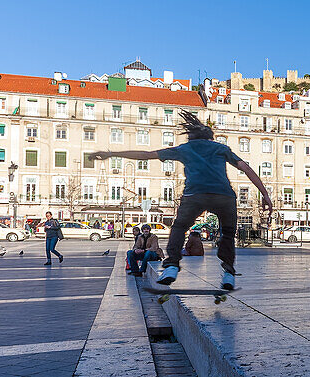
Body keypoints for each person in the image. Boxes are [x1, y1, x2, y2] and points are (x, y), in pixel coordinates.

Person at [95, 110, 273, 289]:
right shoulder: (221, 148)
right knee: (227, 233)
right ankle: (228, 273)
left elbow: (146, 154)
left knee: (180, 227)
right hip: (224, 196)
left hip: (195, 195)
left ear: (191, 138)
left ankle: (172, 265)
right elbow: (246, 168)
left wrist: (112, 154)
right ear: (210, 137)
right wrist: (265, 195)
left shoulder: (184, 149)